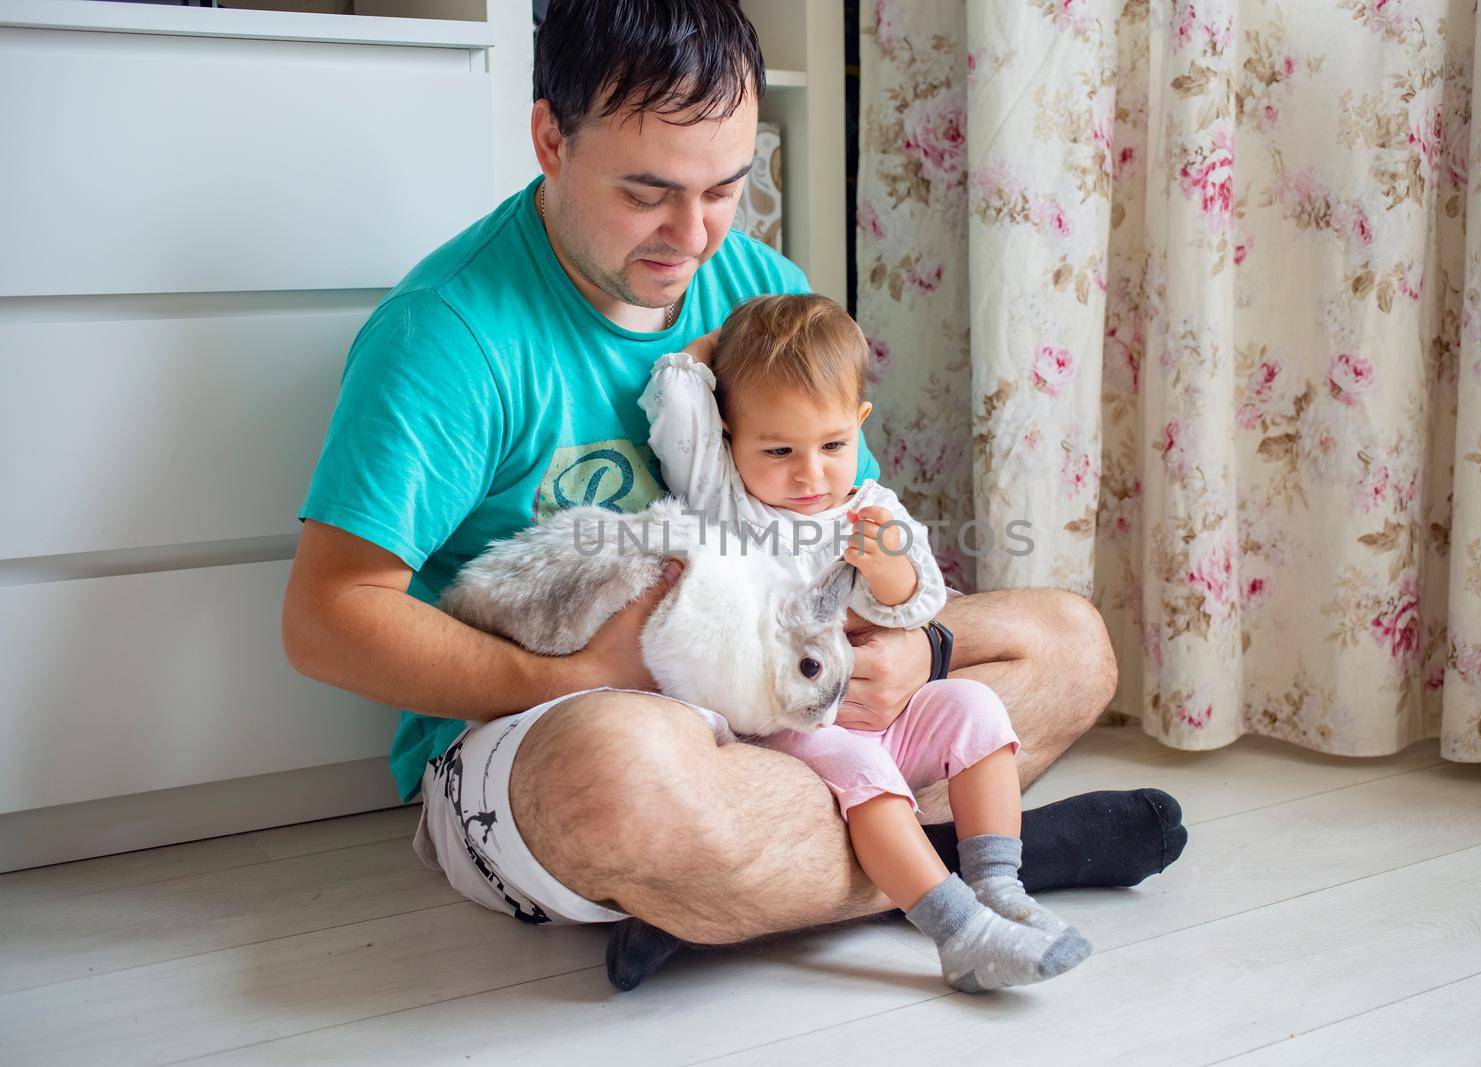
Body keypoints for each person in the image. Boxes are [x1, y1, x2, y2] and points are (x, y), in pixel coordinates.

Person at [281, 0, 1186, 992]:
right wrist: (579, 671)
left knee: (1067, 640)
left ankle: (732, 896)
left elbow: (840, 514)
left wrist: (899, 647)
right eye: (647, 192)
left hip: (790, 693)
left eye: (726, 187)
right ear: (550, 137)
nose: (693, 234)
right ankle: (1002, 854)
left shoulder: (758, 286)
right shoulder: (447, 332)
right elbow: (328, 617)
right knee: (616, 779)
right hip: (567, 719)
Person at [638, 293, 1093, 991]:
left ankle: (999, 888)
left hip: (885, 711)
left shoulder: (871, 507)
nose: (809, 474)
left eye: (831, 446)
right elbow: (674, 386)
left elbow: (923, 602)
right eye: (778, 450)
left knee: (976, 708)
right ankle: (957, 931)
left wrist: (886, 566)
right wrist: (725, 346)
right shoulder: (720, 494)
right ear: (729, 434)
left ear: (859, 426)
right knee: (863, 769)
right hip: (791, 728)